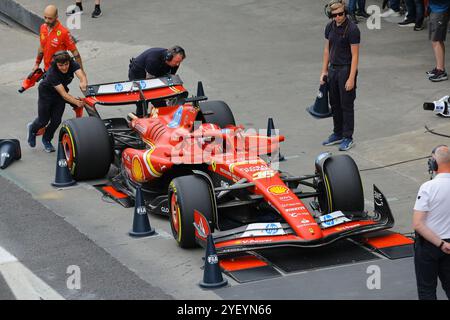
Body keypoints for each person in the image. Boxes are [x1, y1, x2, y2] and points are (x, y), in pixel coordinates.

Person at [27, 51, 87, 152]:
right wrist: (77, 103)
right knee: (43, 120)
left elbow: (82, 75)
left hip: (59, 94)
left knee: (56, 120)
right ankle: (32, 129)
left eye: (66, 64)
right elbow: (64, 94)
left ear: (69, 61)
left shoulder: (73, 63)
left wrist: (83, 82)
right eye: (61, 65)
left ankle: (46, 140)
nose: (64, 67)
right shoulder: (52, 73)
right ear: (56, 64)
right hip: (46, 94)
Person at [320, 0, 360, 151]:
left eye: (341, 14)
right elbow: (326, 50)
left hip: (345, 69)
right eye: (334, 15)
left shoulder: (352, 29)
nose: (338, 17)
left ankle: (348, 137)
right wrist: (324, 71)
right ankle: (337, 133)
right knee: (335, 103)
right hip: (333, 70)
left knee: (346, 105)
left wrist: (351, 77)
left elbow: (355, 56)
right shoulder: (329, 27)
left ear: (345, 12)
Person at [413, 145, 450, 300]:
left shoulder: (428, 187)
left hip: (430, 246)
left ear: (433, 163)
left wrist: (441, 244)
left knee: (427, 290)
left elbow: (418, 224)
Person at [128, 46, 186, 116]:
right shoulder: (153, 60)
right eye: (176, 62)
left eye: (179, 62)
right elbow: (150, 84)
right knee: (144, 100)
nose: (177, 64)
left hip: (156, 71)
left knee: (160, 102)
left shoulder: (175, 62)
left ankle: (161, 115)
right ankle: (140, 117)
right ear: (169, 57)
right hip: (138, 73)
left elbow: (170, 78)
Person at [33, 5, 83, 72]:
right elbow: (42, 47)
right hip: (47, 70)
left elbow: (75, 52)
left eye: (50, 18)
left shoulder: (64, 32)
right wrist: (37, 64)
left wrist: (81, 72)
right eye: (45, 17)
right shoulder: (43, 28)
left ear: (56, 17)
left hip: (59, 72)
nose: (46, 21)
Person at [426, 0, 450, 82]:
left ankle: (441, 71)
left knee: (437, 40)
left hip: (440, 10)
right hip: (435, 9)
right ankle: (439, 68)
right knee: (435, 40)